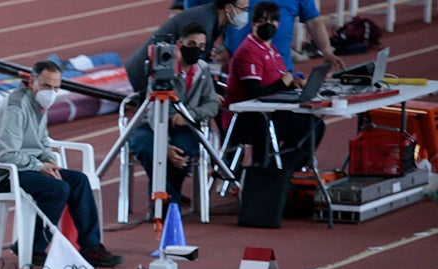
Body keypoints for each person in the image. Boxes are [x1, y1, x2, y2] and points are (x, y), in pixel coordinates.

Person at [0, 60, 122, 269]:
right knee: (57, 189)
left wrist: (49, 160)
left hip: (27, 167)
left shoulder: (40, 104)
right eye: (47, 86)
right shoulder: (15, 107)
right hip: (2, 174)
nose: (52, 92)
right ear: (32, 82)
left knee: (79, 181)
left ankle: (91, 247)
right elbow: (5, 154)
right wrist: (39, 166)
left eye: (56, 88)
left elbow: (43, 141)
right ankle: (34, 248)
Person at [127, 22, 221, 206]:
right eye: (192, 45)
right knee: (149, 148)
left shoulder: (202, 69)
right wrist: (164, 145)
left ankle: (164, 200)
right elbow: (153, 108)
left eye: (202, 47)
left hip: (185, 127)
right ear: (179, 44)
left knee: (183, 150)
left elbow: (212, 104)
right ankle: (168, 200)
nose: (197, 50)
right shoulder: (162, 67)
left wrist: (189, 115)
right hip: (152, 125)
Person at [225, 1, 325, 171]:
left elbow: (277, 83)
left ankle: (282, 171)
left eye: (273, 21)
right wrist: (283, 83)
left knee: (313, 123)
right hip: (251, 119)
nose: (269, 25)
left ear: (279, 23)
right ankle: (282, 172)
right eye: (263, 21)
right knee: (312, 127)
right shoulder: (249, 51)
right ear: (254, 24)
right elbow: (254, 93)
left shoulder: (271, 50)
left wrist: (293, 84)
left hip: (268, 113)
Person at [125, 0, 251, 95]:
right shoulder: (203, 21)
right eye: (244, 9)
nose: (246, 14)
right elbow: (195, 62)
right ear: (228, 8)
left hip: (161, 69)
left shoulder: (213, 19)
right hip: (147, 71)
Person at [223, 0, 344, 73]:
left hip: (279, 69)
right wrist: (218, 49)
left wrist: (327, 52)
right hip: (238, 68)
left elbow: (313, 20)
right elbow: (213, 14)